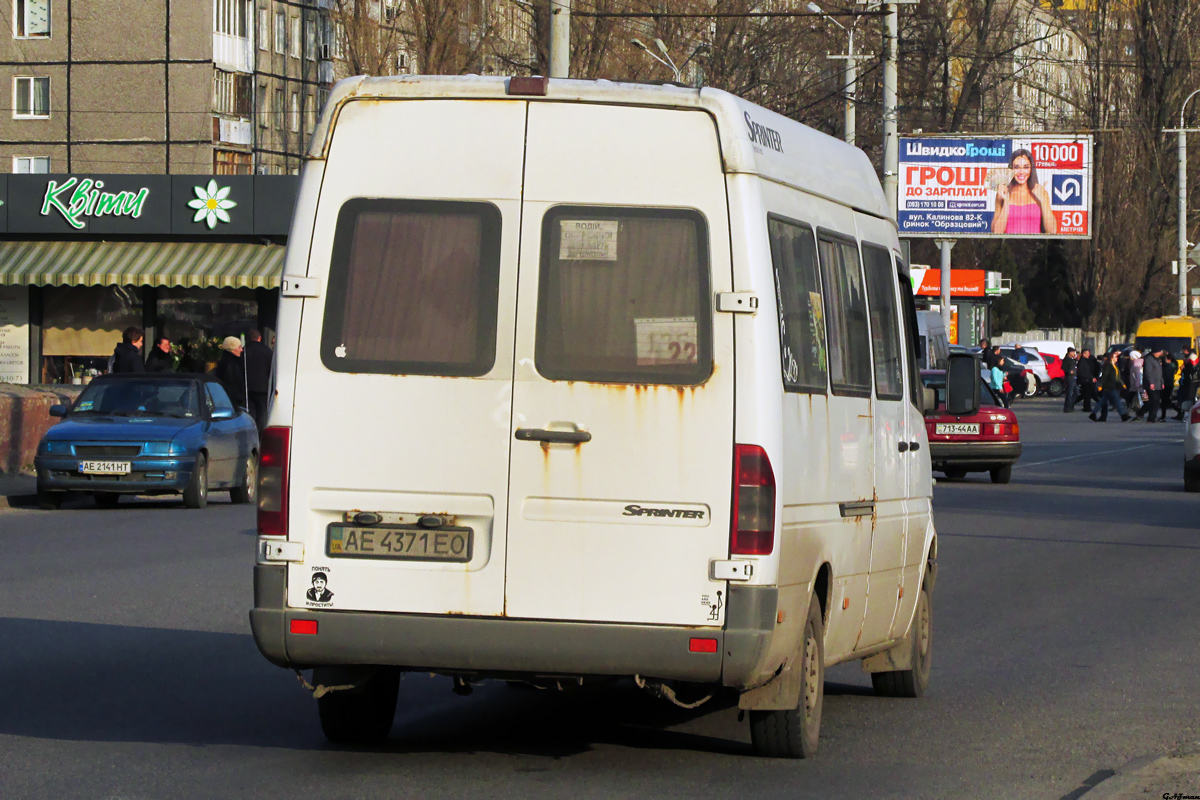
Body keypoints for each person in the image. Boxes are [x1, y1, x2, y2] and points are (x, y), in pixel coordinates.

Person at [991, 148, 1058, 235]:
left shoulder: (1040, 192)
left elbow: (1052, 231)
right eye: (1017, 167)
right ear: (1011, 169)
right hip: (1008, 247)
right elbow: (996, 232)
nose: (1021, 172)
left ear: (1031, 169)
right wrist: (1006, 202)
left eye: (1026, 167)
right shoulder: (1003, 193)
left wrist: (1043, 200)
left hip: (1035, 247)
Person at [244, 329, 274, 431]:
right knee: (262, 413)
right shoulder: (267, 351)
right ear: (260, 338)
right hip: (263, 387)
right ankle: (260, 433)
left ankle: (250, 431)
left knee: (250, 412)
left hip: (247, 387)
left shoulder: (243, 351)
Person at [1091, 351, 1131, 422]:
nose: (1117, 358)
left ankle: (1093, 413)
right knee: (1117, 401)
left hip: (1113, 385)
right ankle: (1123, 415)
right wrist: (1100, 385)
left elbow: (1118, 377)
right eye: (1115, 357)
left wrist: (1122, 384)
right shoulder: (1108, 366)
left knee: (1102, 401)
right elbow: (1104, 377)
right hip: (1109, 386)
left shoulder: (1115, 366)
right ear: (1111, 358)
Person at [214, 335, 248, 410]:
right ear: (232, 349)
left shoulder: (231, 362)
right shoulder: (230, 364)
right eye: (239, 347)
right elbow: (231, 383)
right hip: (232, 402)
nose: (241, 350)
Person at [1140, 346, 1164, 422]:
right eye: (1160, 352)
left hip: (1158, 383)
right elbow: (1148, 372)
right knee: (1153, 400)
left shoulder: (1157, 359)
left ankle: (1151, 417)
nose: (1161, 353)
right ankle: (1146, 414)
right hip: (1151, 383)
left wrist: (1162, 382)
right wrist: (1151, 382)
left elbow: (1160, 372)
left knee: (1156, 401)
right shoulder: (1149, 359)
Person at [1174, 348, 1198, 420]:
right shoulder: (1188, 362)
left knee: (1187, 399)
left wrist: (1184, 368)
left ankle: (1184, 415)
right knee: (1182, 399)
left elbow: (1190, 372)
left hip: (1188, 383)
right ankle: (1181, 414)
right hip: (1185, 382)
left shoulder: (1191, 363)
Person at [1061, 347, 1078, 412]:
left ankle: (1070, 405)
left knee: (1076, 392)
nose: (1074, 353)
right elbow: (1063, 367)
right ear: (1069, 353)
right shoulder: (1067, 359)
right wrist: (1068, 371)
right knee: (1069, 393)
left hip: (1074, 377)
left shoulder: (1072, 359)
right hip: (1069, 377)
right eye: (1073, 352)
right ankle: (1067, 407)